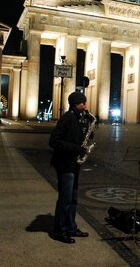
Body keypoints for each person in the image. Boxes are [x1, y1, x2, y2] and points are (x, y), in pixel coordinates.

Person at [49, 91, 90, 244]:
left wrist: (87, 135)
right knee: (65, 199)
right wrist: (76, 149)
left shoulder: (80, 118)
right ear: (75, 104)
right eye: (82, 103)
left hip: (74, 164)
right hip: (65, 164)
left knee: (73, 198)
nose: (85, 105)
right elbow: (54, 141)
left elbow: (77, 137)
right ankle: (59, 231)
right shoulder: (67, 118)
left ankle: (71, 227)